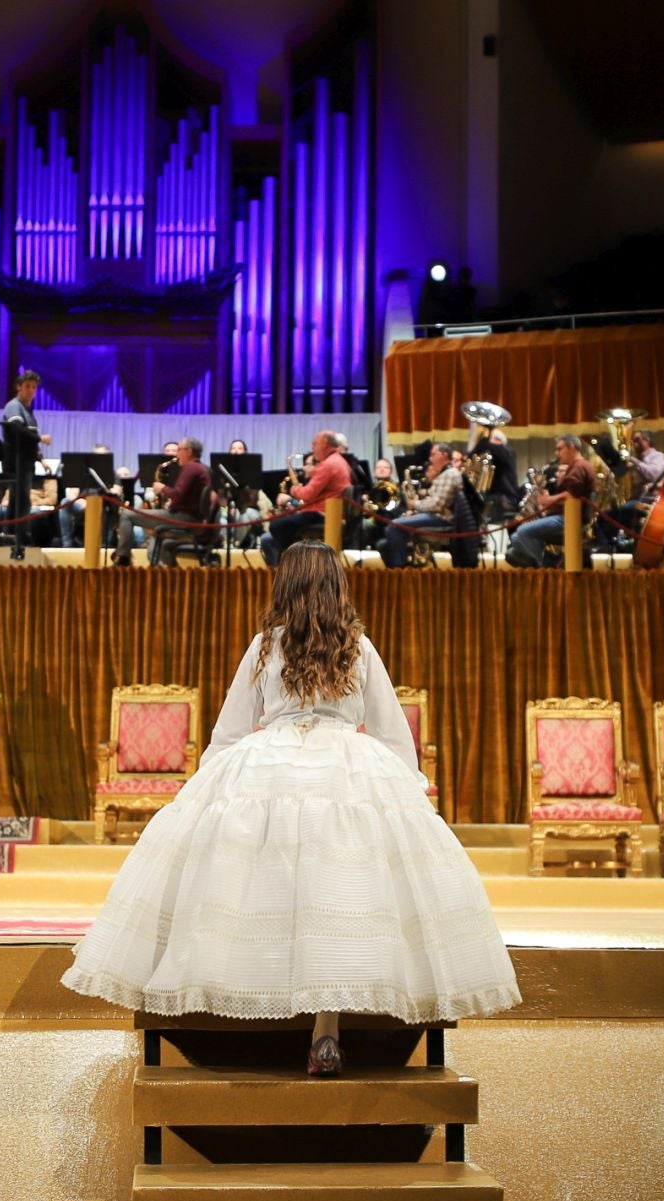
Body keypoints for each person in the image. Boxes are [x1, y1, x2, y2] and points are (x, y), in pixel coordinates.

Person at [62, 543, 520, 1071]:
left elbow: (230, 731)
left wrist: (200, 795)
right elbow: (394, 733)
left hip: (268, 763)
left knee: (262, 887)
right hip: (349, 771)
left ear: (285, 586)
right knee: (336, 891)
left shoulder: (265, 646)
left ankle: (250, 998)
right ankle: (326, 1027)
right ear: (335, 587)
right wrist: (403, 795)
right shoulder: (358, 648)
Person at [258, 430, 351, 565]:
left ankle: (296, 562)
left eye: (315, 444)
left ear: (325, 444)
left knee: (277, 525)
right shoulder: (340, 461)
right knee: (281, 525)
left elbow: (307, 495)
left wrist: (294, 489)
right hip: (329, 510)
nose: (312, 448)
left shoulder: (328, 464)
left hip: (323, 513)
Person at [115, 437, 210, 567]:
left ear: (189, 451)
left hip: (182, 518)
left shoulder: (191, 468)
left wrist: (162, 488)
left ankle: (123, 558)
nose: (177, 454)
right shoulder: (201, 468)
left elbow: (178, 495)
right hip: (189, 517)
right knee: (155, 543)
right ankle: (167, 573)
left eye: (179, 450)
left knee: (127, 515)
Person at [507, 434, 595, 567]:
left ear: (571, 447)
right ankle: (545, 563)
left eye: (559, 449)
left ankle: (542, 569)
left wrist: (547, 500)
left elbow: (570, 496)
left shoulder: (579, 467)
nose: (556, 453)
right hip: (564, 518)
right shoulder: (579, 466)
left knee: (523, 531)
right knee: (516, 538)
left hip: (570, 520)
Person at [0, 370, 52, 560]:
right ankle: (20, 540)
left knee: (18, 501)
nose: (31, 391)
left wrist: (40, 457)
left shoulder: (28, 411)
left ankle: (12, 538)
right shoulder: (14, 407)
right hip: (17, 461)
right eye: (27, 386)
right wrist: (40, 438)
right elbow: (17, 431)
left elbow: (29, 441)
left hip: (26, 461)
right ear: (18, 387)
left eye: (34, 387)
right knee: (21, 502)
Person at [382, 444, 461, 568]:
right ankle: (399, 565)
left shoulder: (450, 474)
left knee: (394, 526)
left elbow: (437, 505)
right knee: (386, 537)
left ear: (444, 455)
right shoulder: (446, 474)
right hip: (436, 516)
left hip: (441, 519)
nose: (430, 459)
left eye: (433, 454)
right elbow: (435, 502)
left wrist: (415, 504)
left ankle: (400, 568)